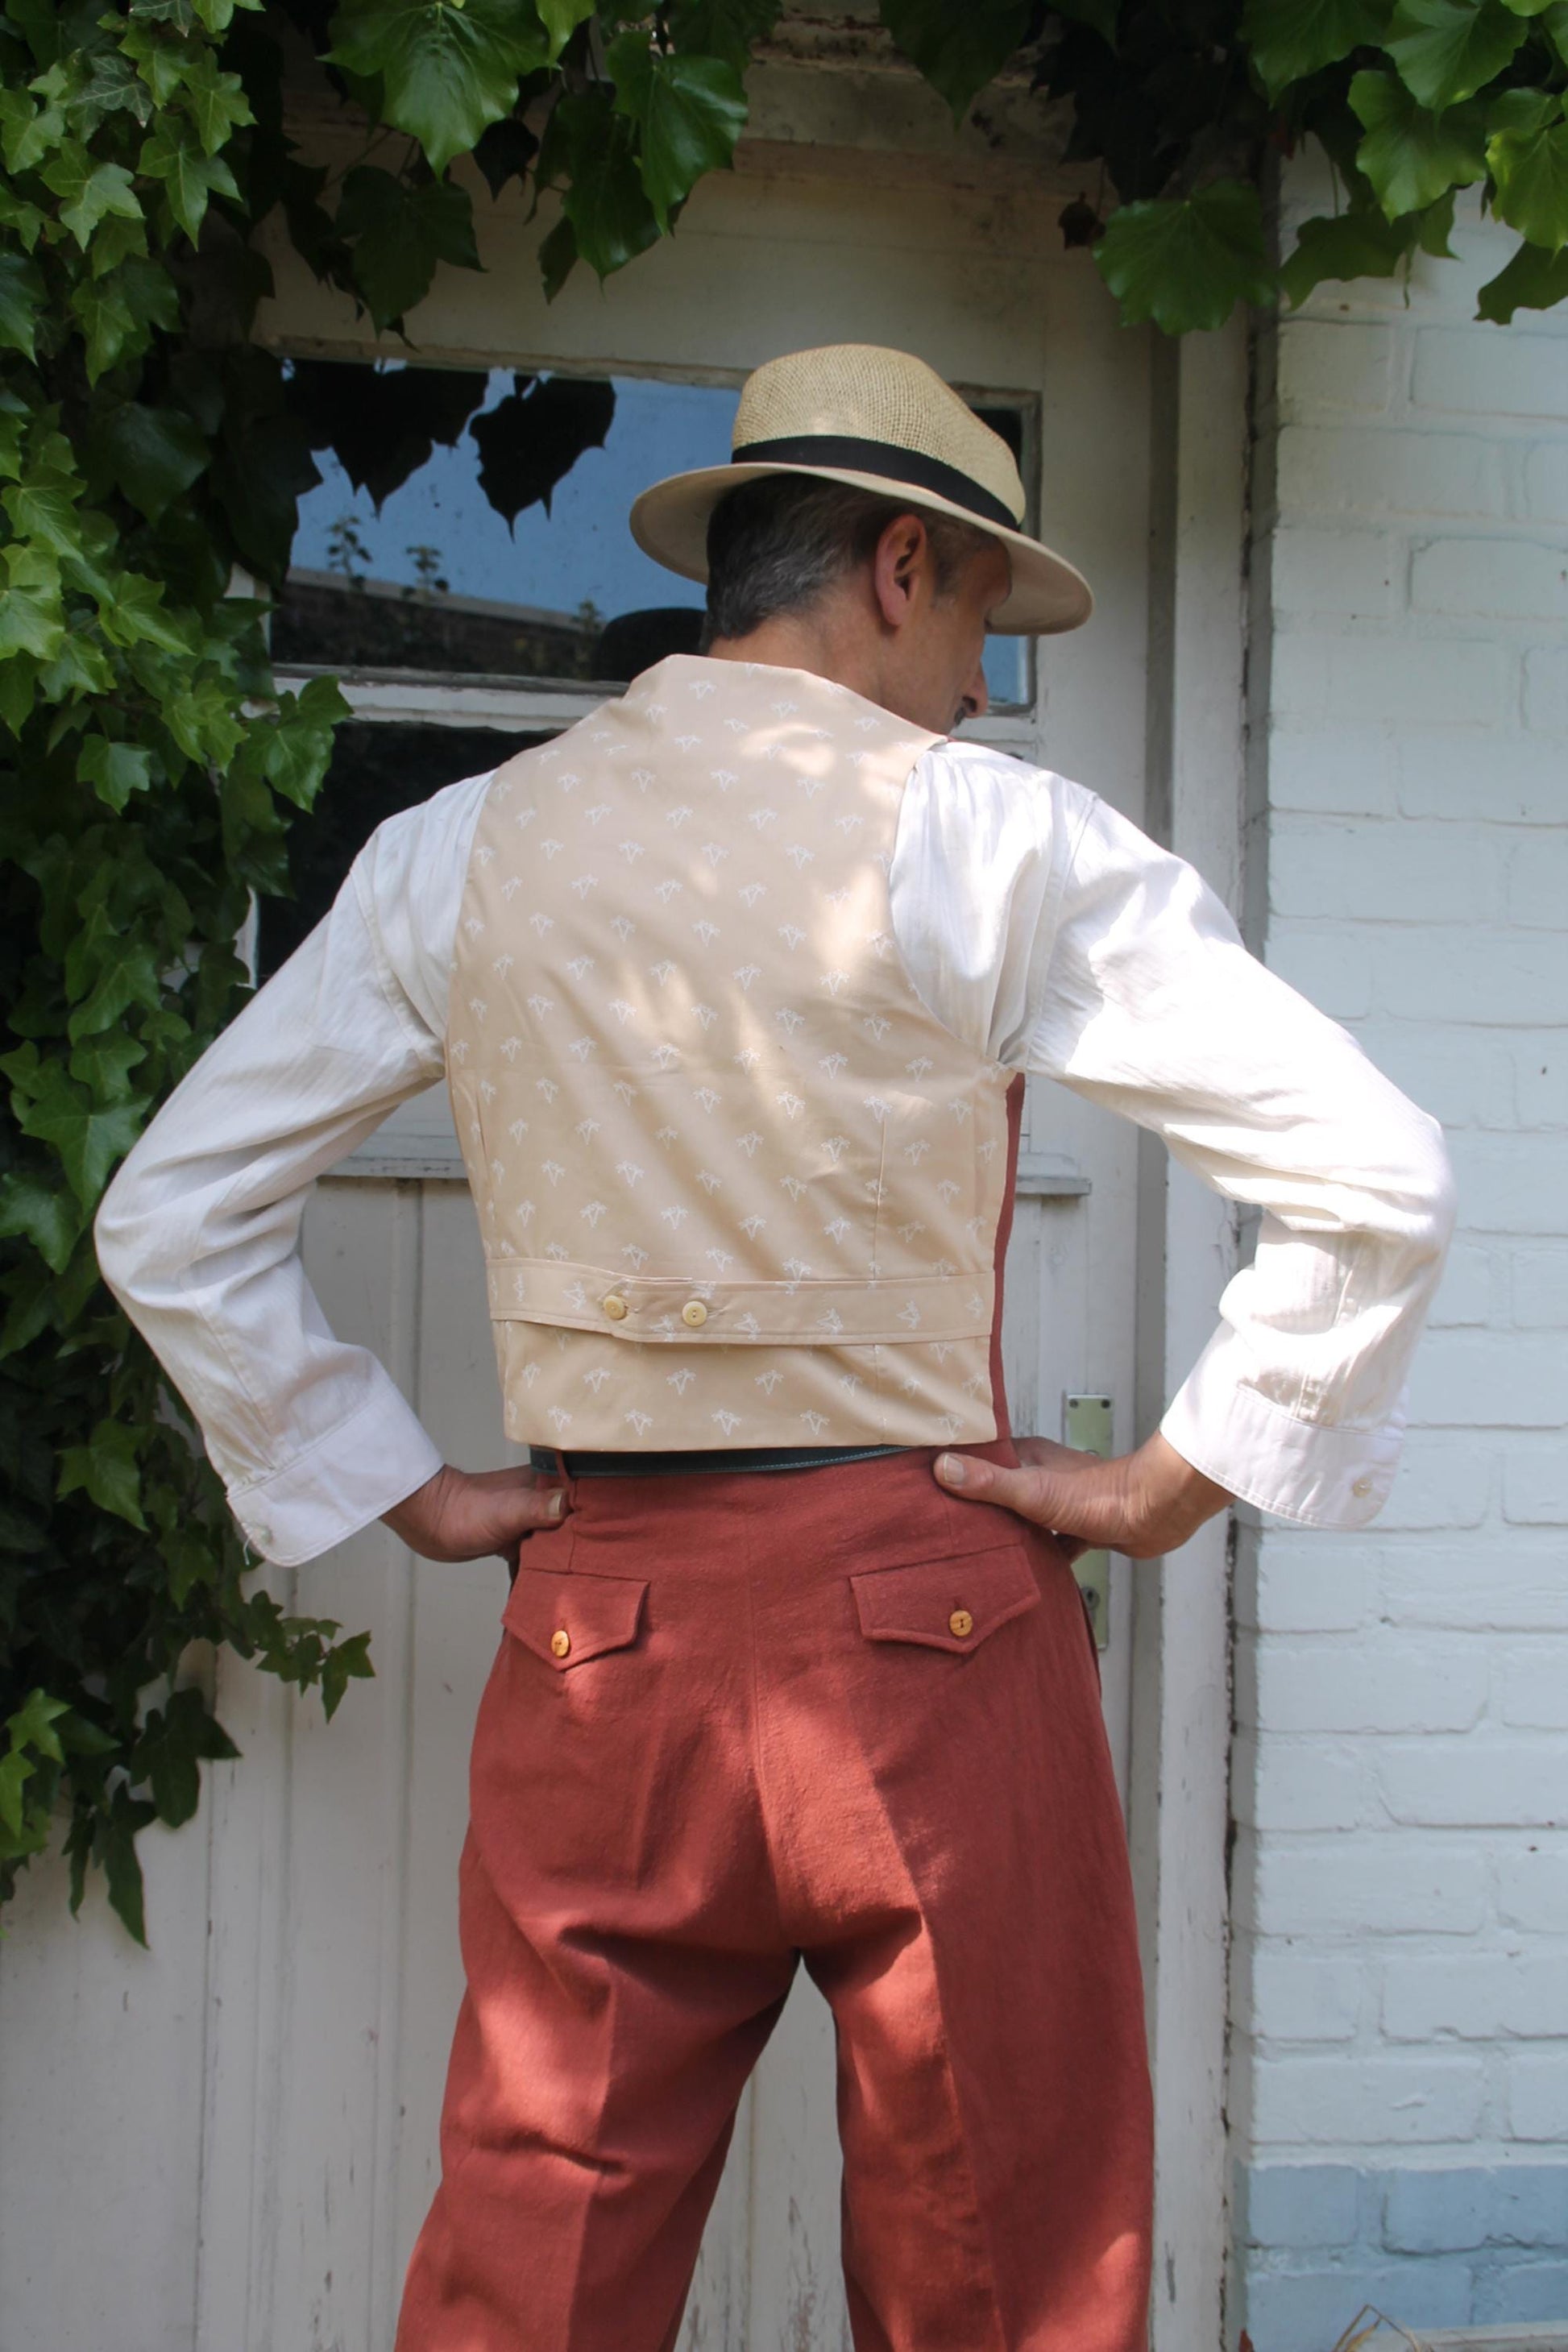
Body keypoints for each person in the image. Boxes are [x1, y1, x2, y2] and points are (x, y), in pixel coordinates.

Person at [95, 343, 1454, 2352]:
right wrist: (1173, 1480)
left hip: (601, 1642)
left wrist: (401, 1477)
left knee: (533, 2264)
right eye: (985, 616)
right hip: (931, 1636)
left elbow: (167, 1211)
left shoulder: (460, 846)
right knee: (1003, 2262)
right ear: (900, 564)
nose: (984, 684)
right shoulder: (990, 834)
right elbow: (1381, 1173)